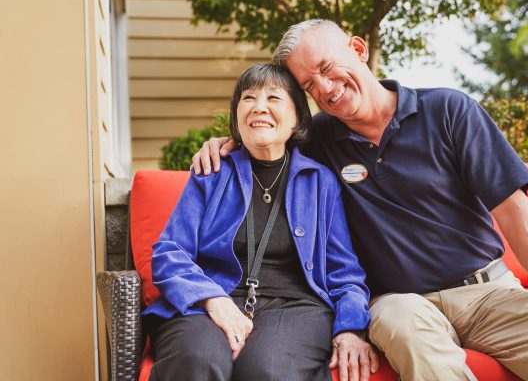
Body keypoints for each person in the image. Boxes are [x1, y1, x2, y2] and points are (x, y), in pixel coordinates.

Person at [192, 19, 528, 381]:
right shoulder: (318, 139)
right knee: (406, 330)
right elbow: (267, 142)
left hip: (488, 291)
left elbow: (513, 209)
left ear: (357, 49)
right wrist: (224, 145)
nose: (326, 89)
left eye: (327, 68)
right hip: (400, 302)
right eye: (309, 86)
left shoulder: (448, 110)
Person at [143, 63, 379, 381]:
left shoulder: (320, 181)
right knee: (197, 360)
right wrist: (212, 299)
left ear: (297, 117)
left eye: (273, 98)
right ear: (237, 116)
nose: (259, 107)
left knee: (266, 371)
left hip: (296, 307)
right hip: (211, 299)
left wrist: (351, 327)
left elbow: (344, 272)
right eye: (248, 98)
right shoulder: (212, 171)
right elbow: (169, 253)